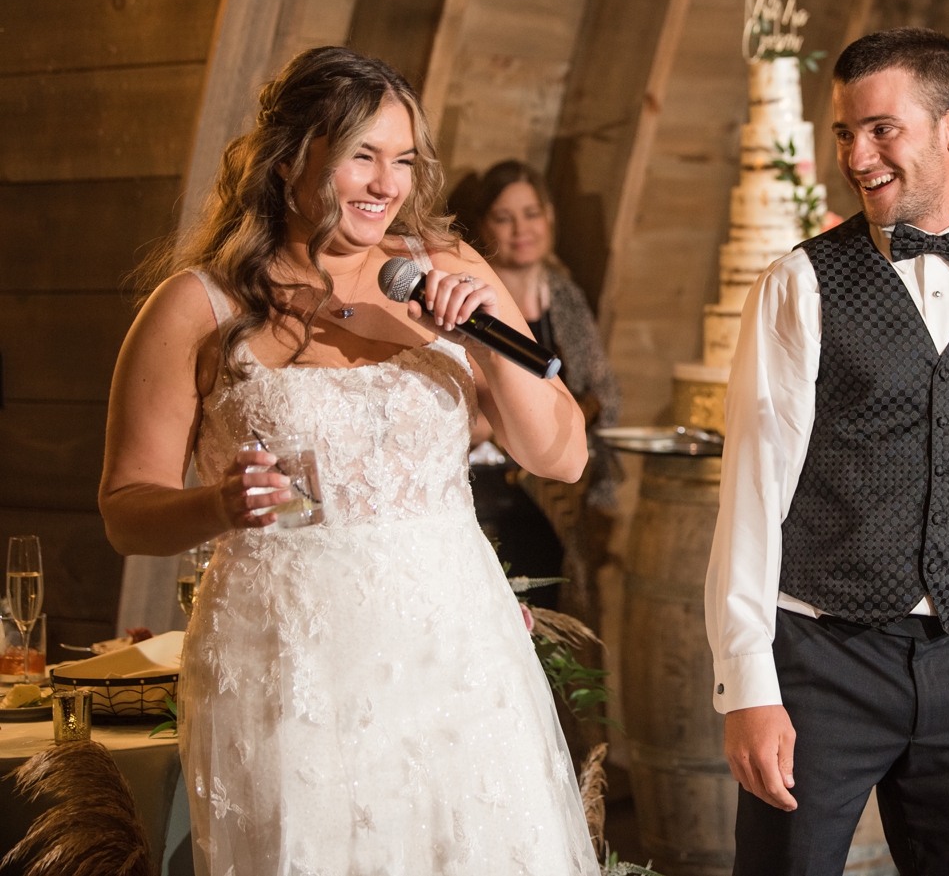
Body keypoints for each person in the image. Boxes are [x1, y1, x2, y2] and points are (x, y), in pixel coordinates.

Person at [97, 47, 598, 875]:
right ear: (291, 159)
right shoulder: (198, 305)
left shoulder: (446, 272)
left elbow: (561, 453)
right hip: (293, 667)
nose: (386, 183)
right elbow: (125, 504)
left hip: (457, 655)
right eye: (361, 155)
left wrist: (478, 337)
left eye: (402, 160)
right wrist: (218, 505)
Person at [704, 27, 949, 874]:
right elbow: (752, 494)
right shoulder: (799, 284)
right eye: (844, 133)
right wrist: (749, 683)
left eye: (882, 129)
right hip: (819, 662)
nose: (857, 155)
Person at [449, 160, 622, 612]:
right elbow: (472, 411)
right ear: (484, 227)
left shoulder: (562, 294)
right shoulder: (469, 299)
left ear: (549, 218)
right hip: (486, 493)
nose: (520, 229)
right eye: (504, 218)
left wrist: (572, 414)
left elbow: (605, 390)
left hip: (557, 492)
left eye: (531, 214)